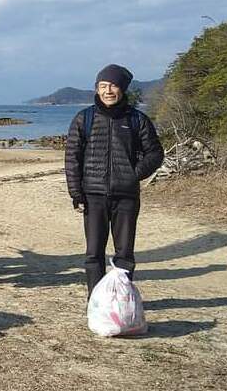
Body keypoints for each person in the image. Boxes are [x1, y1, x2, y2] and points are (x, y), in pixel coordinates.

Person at [64, 64, 163, 293]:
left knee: (125, 255)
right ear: (97, 89)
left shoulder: (137, 119)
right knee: (94, 254)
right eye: (102, 86)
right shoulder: (84, 119)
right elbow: (72, 158)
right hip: (93, 195)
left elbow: (155, 153)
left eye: (113, 85)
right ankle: (96, 301)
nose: (108, 91)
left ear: (123, 88)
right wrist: (76, 193)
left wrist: (132, 175)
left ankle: (122, 302)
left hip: (126, 197)